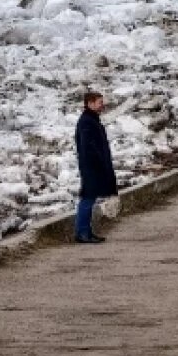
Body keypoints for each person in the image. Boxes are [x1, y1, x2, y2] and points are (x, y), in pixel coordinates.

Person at [74, 90, 117, 244]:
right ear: (90, 103)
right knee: (87, 198)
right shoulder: (86, 121)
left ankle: (87, 231)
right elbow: (88, 147)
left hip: (93, 166)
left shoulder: (92, 120)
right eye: (99, 102)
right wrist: (98, 163)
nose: (102, 105)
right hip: (90, 166)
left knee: (90, 198)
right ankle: (82, 233)